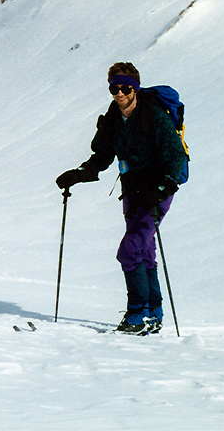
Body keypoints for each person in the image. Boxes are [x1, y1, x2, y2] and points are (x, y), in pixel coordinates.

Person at [56, 62, 188, 333]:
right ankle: (154, 311)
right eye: (113, 88)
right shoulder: (113, 119)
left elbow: (177, 159)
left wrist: (163, 188)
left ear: (135, 89)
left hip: (157, 193)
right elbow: (102, 156)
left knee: (129, 250)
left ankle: (137, 315)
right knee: (143, 252)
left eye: (125, 88)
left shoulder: (154, 117)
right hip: (132, 192)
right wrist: (78, 174)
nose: (119, 93)